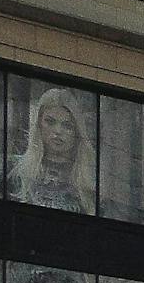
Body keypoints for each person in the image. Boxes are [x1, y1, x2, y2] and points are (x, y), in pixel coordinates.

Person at [6, 86, 97, 214]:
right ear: (38, 124)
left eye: (67, 125)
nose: (58, 131)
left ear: (76, 131)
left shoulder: (89, 182)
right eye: (50, 122)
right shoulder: (13, 170)